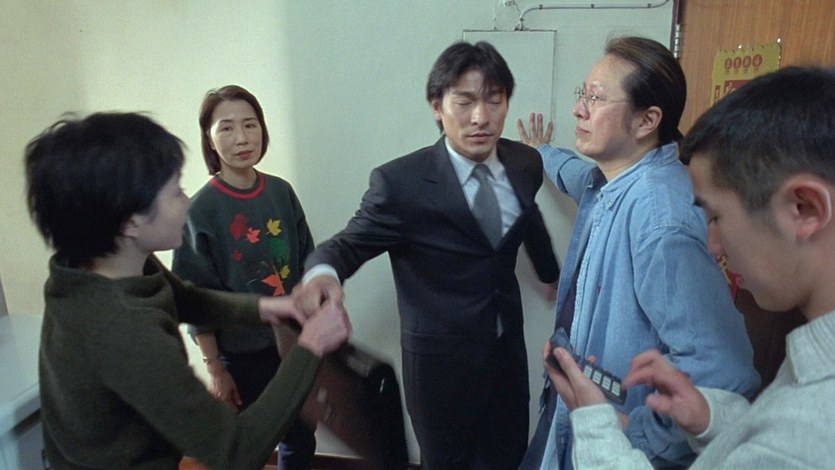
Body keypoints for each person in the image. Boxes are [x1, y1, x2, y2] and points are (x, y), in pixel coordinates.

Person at [25, 112, 351, 469]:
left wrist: (268, 307)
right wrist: (311, 346)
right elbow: (237, 451)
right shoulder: (122, 330)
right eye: (176, 192)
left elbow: (185, 298)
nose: (186, 201)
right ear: (130, 222)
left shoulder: (100, 265)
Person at [549, 65, 835, 469]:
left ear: (805, 208)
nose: (712, 245)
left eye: (715, 217)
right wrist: (710, 418)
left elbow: (739, 387)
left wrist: (596, 424)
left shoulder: (805, 435)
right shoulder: (807, 378)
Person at [293, 40, 560, 469]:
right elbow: (346, 244)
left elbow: (528, 218)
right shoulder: (402, 184)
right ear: (437, 106)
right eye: (465, 102)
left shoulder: (524, 163)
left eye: (494, 100)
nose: (481, 117)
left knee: (509, 459)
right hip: (441, 371)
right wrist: (323, 274)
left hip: (506, 359)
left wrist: (550, 271)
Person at [515, 36, 760, 469]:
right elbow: (574, 174)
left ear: (647, 120)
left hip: (622, 444)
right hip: (574, 417)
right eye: (583, 94)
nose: (579, 109)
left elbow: (723, 373)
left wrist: (639, 431)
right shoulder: (610, 181)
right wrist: (542, 153)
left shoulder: (659, 218)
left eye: (596, 98)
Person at [171, 85, 317, 469]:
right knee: (245, 448)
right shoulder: (199, 210)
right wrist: (216, 368)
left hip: (293, 344)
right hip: (240, 354)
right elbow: (193, 299)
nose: (241, 138)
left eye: (250, 125)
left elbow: (308, 261)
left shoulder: (281, 192)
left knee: (301, 436)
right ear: (209, 138)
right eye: (227, 128)